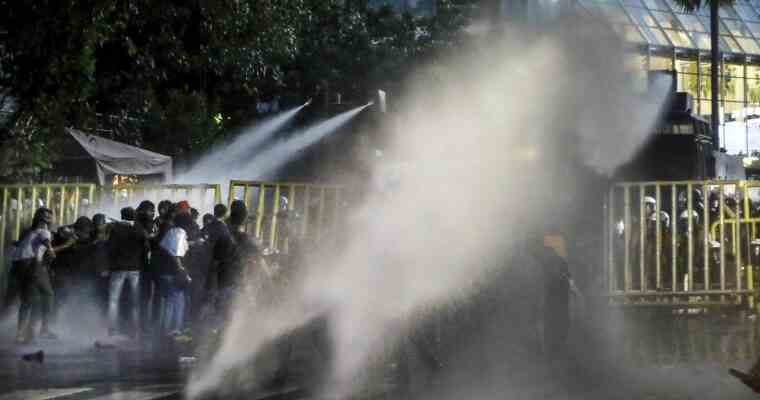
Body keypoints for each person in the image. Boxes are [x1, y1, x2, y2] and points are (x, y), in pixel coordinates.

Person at [15, 207, 75, 343]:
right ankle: (44, 329)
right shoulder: (44, 230)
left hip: (20, 266)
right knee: (48, 294)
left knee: (28, 300)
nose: (50, 220)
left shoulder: (28, 231)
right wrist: (68, 244)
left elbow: (19, 244)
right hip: (34, 265)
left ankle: (21, 334)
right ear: (42, 219)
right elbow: (50, 251)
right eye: (48, 217)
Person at [106, 207, 144, 337]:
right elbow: (145, 246)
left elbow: (110, 248)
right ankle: (135, 330)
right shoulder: (138, 229)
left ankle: (112, 331)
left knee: (113, 300)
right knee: (135, 301)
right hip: (135, 268)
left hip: (118, 268)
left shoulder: (115, 229)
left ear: (122, 216)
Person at [155, 203, 191, 335]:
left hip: (164, 272)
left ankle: (165, 331)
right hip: (173, 274)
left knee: (169, 303)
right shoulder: (180, 233)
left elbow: (164, 248)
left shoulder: (170, 231)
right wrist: (182, 270)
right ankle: (175, 331)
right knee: (178, 302)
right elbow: (177, 254)